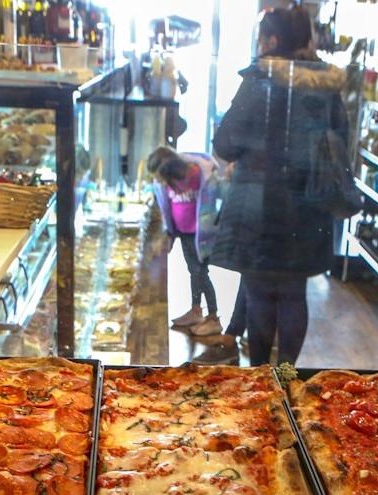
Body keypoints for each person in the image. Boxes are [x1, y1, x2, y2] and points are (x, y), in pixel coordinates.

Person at [207, 3, 348, 366]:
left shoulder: (261, 79)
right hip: (309, 208)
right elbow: (341, 142)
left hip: (259, 205)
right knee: (293, 294)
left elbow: (226, 143)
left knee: (260, 293)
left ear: (271, 40)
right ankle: (286, 378)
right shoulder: (326, 85)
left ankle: (261, 379)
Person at [147, 146, 223, 336]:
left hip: (200, 235)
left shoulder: (196, 175)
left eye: (160, 177)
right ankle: (196, 310)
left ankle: (213, 317)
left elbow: (213, 192)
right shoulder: (167, 183)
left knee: (201, 273)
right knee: (193, 272)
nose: (158, 182)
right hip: (183, 233)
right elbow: (167, 205)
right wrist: (169, 233)